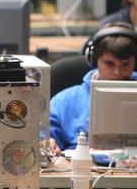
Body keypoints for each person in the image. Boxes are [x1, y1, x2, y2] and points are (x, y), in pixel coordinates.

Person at [50, 23, 137, 151]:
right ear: (94, 60)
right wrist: (48, 143)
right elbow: (46, 142)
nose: (117, 72)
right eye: (109, 64)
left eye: (125, 64)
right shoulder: (63, 102)